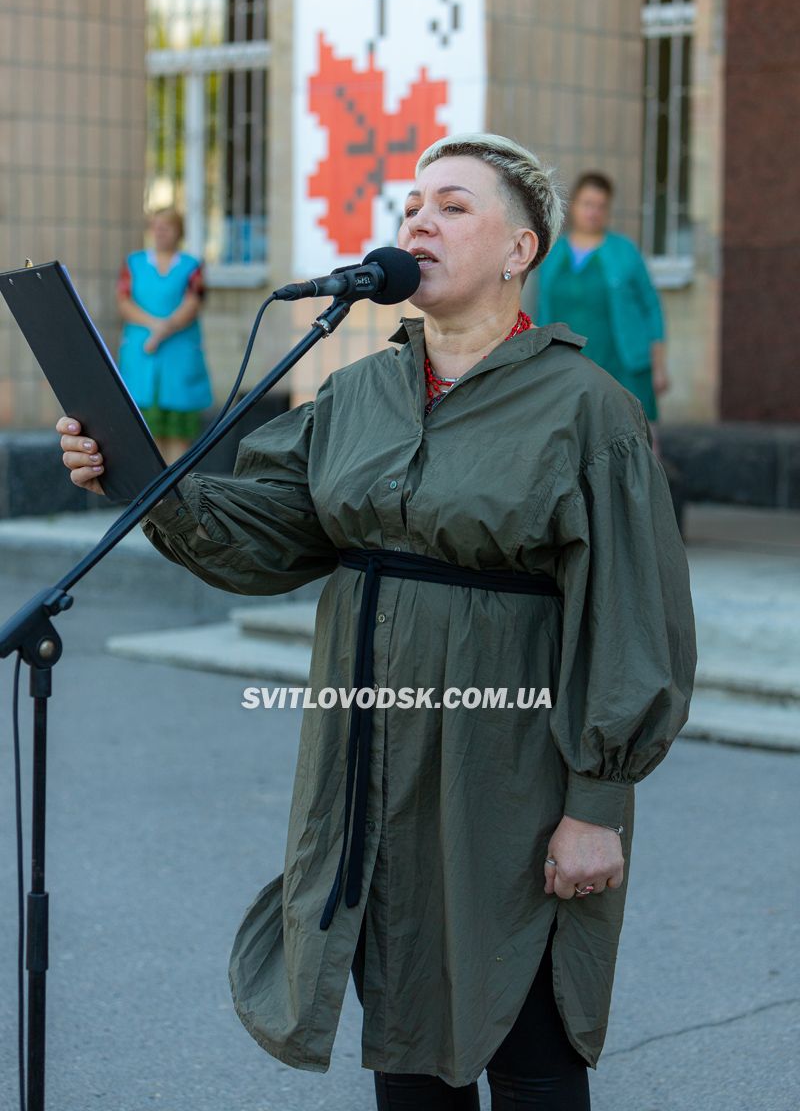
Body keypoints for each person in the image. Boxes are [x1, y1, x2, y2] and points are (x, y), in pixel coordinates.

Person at [57, 133, 696, 1110]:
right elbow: (259, 531)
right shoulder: (353, 392)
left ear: (519, 250)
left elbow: (633, 616)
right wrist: (137, 479)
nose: (416, 223)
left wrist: (595, 805)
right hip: (369, 772)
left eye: (450, 206)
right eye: (408, 208)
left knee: (529, 1051)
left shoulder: (585, 408)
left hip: (511, 773)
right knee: (405, 1052)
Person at [528, 171, 669, 456]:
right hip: (568, 365)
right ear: (574, 206)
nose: (594, 212)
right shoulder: (553, 253)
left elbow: (651, 308)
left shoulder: (624, 251)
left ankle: (646, 498)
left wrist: (660, 365)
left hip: (625, 363)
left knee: (640, 440)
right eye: (587, 203)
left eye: (601, 205)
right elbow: (540, 309)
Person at [116, 206, 213, 465]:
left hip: (178, 355)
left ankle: (177, 493)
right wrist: (155, 325)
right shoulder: (133, 263)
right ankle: (154, 496)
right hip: (141, 355)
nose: (160, 232)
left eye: (166, 227)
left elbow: (193, 303)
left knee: (179, 430)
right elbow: (123, 302)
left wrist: (162, 331)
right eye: (156, 226)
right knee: (146, 429)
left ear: (178, 231)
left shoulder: (192, 266)